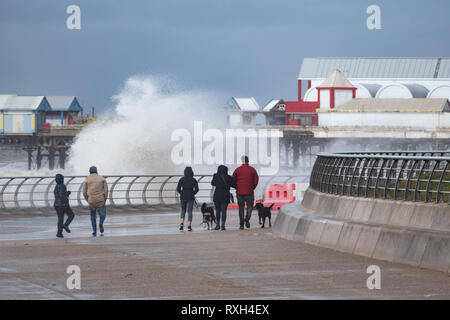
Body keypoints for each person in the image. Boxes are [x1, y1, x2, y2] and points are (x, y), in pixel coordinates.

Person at [232, 155, 259, 230]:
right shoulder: (252, 169)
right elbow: (256, 180)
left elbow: (233, 179)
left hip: (240, 192)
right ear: (248, 161)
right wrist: (252, 187)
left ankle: (241, 225)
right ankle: (247, 219)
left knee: (241, 208)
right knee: (249, 207)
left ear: (242, 161)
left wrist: (236, 187)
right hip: (249, 192)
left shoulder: (237, 170)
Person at [83, 166, 108, 237]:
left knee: (93, 216)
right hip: (100, 200)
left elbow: (84, 192)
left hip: (91, 201)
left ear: (89, 171)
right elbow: (106, 190)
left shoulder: (87, 179)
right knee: (102, 214)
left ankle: (94, 231)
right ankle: (101, 223)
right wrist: (105, 199)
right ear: (97, 171)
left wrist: (88, 199)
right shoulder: (102, 178)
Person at [211, 165, 235, 231]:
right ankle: (223, 225)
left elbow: (212, 183)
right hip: (225, 195)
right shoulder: (229, 177)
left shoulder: (215, 176)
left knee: (218, 211)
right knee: (224, 211)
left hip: (217, 195)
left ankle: (217, 225)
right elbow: (234, 185)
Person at [176, 166, 199, 232]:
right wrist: (193, 193)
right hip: (190, 197)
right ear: (191, 172)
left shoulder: (182, 179)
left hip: (183, 196)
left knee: (183, 210)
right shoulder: (193, 180)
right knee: (189, 211)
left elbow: (178, 188)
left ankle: (181, 224)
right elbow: (197, 189)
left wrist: (182, 193)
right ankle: (189, 226)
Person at [53, 173, 74, 238]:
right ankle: (66, 225)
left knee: (60, 219)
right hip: (63, 204)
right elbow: (62, 196)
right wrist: (68, 193)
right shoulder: (63, 186)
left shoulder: (56, 186)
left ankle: (59, 233)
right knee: (71, 215)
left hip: (56, 204)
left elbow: (58, 195)